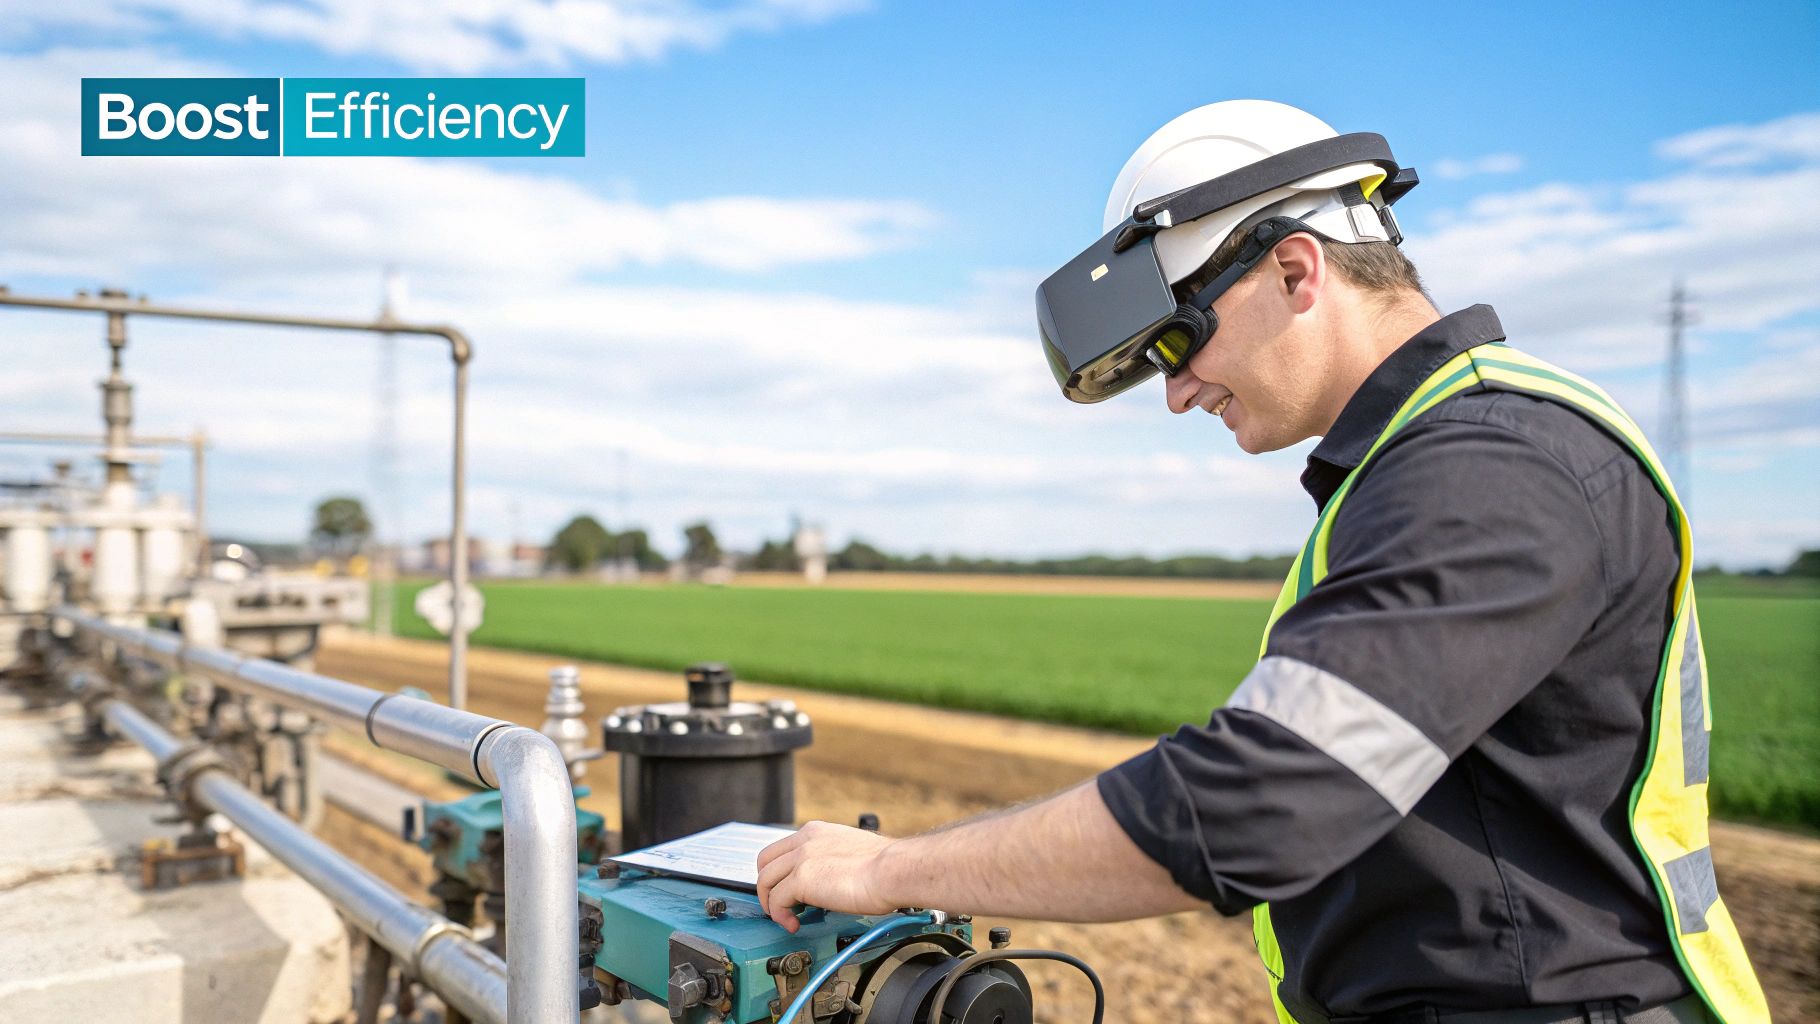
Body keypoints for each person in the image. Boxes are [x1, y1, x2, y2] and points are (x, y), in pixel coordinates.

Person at [756, 101, 1769, 1024]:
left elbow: (1254, 802)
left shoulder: (1490, 464)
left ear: (1295, 270)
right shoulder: (1416, 461)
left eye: (1178, 343)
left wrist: (893, 867)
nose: (1176, 393)